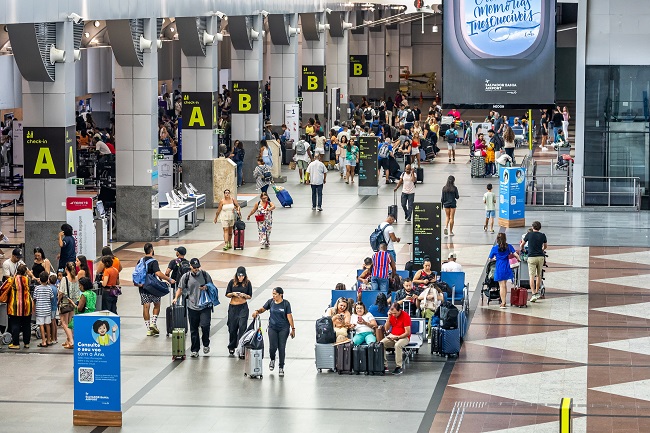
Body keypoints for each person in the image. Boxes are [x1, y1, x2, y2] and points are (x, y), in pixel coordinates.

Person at [173, 258, 213, 358]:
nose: (196, 269)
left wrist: (206, 287)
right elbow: (180, 288)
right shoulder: (186, 277)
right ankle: (195, 349)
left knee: (205, 326)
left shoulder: (204, 274)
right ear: (190, 266)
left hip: (204, 306)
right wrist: (175, 298)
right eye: (194, 267)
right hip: (192, 307)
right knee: (193, 329)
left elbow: (212, 286)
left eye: (197, 267)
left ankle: (206, 343)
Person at [252, 287, 295, 377]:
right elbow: (263, 309)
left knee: (281, 347)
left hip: (283, 328)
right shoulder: (270, 302)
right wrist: (257, 312)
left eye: (275, 294)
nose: (273, 296)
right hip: (272, 328)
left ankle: (281, 367)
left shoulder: (286, 304)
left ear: (280, 294)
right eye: (273, 294)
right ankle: (272, 359)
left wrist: (293, 329)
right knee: (273, 346)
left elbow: (289, 316)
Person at [136, 243, 175, 336]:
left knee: (146, 307)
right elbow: (158, 273)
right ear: (152, 250)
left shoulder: (140, 261)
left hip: (142, 286)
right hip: (152, 286)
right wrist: (169, 279)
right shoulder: (153, 261)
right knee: (157, 305)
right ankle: (153, 323)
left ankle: (148, 328)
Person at [0, 264, 33, 349]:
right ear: (25, 272)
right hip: (27, 305)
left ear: (16, 270)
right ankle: (26, 343)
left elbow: (2, 288)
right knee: (26, 324)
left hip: (14, 306)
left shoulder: (11, 280)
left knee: (15, 324)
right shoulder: (27, 279)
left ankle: (16, 343)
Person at [224, 266, 253, 355]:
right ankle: (232, 345)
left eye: (242, 276)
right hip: (233, 307)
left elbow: (250, 296)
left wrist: (244, 295)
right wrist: (233, 294)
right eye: (239, 276)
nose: (241, 278)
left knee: (242, 327)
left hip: (243, 307)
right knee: (232, 328)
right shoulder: (232, 282)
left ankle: (241, 346)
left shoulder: (247, 283)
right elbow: (227, 294)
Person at [488, 233, 519, 309]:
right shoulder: (509, 246)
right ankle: (504, 300)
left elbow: (490, 258)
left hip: (499, 266)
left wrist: (494, 259)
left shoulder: (495, 248)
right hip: (507, 266)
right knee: (504, 284)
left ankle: (503, 302)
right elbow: (515, 254)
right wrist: (518, 260)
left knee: (502, 285)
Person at [380, 303, 411, 375]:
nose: (394, 315)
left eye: (395, 313)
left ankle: (398, 367)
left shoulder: (405, 316)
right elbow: (386, 329)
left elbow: (408, 332)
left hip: (404, 337)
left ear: (399, 310)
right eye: (392, 313)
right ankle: (384, 365)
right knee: (381, 344)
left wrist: (397, 337)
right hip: (393, 335)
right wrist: (388, 318)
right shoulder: (391, 315)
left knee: (397, 345)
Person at [521, 221, 548, 303]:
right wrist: (542, 250)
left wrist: (523, 249)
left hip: (531, 257)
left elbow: (522, 244)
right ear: (540, 228)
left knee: (531, 276)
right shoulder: (543, 235)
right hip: (540, 257)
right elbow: (545, 246)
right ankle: (537, 292)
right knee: (539, 275)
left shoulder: (529, 235)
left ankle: (533, 294)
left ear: (533, 227)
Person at [58, 262, 80, 349]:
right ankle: (68, 340)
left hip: (65, 302)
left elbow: (61, 292)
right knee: (70, 322)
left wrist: (58, 300)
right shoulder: (77, 278)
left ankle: (71, 341)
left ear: (66, 269)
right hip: (73, 302)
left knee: (64, 322)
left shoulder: (65, 279)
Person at [49, 274, 59, 345]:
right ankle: (55, 337)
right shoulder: (56, 288)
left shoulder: (50, 288)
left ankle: (52, 338)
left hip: (51, 306)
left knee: (52, 322)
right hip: (55, 306)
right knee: (54, 321)